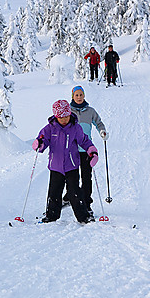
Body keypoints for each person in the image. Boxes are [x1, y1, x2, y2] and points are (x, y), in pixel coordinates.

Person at [33, 99, 100, 223]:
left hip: (72, 166)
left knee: (75, 192)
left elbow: (84, 141)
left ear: (70, 114)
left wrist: (91, 150)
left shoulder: (75, 128)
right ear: (56, 116)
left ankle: (84, 216)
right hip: (56, 166)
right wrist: (39, 144)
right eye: (61, 117)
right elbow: (43, 139)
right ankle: (51, 215)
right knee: (54, 192)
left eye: (66, 116)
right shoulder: (50, 128)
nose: (64, 120)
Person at [64, 86, 107, 215]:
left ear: (84, 96)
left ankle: (87, 203)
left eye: (81, 95)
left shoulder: (90, 111)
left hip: (86, 149)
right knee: (71, 176)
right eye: (76, 95)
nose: (79, 97)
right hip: (71, 150)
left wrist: (102, 131)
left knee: (86, 177)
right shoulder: (68, 111)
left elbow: (99, 123)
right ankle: (69, 197)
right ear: (72, 96)